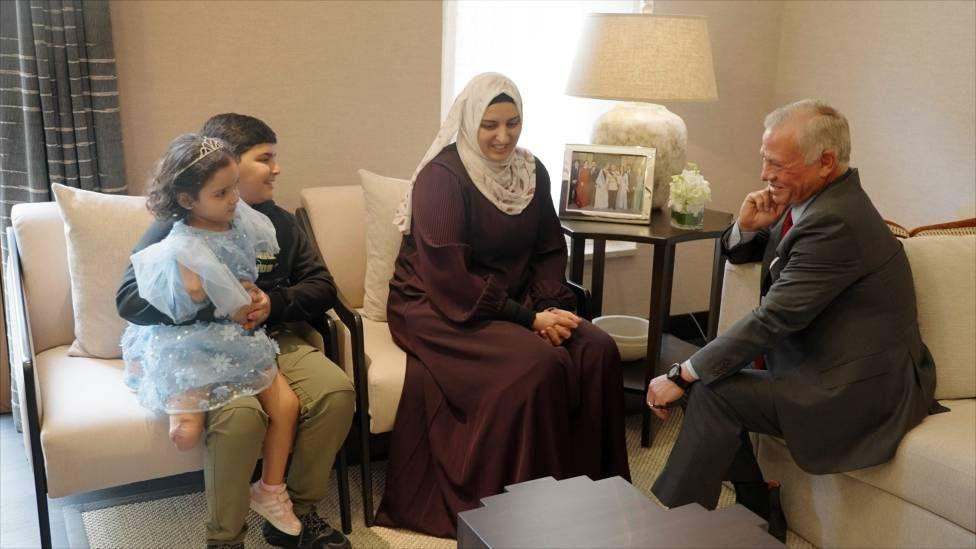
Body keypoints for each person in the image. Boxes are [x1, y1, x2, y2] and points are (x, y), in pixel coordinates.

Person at [645, 100, 938, 542]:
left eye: (777, 163)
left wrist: (682, 372)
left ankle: (673, 528)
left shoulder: (837, 222)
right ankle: (755, 511)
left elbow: (773, 318)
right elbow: (746, 250)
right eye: (765, 158)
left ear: (825, 162)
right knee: (712, 380)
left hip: (858, 390)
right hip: (825, 365)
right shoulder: (816, 199)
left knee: (709, 388)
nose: (765, 174)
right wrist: (745, 228)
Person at [375, 72, 630, 538]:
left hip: (515, 298)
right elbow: (449, 276)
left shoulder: (532, 171)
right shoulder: (441, 178)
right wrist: (530, 320)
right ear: (469, 122)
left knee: (597, 349)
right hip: (437, 304)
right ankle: (521, 517)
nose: (503, 136)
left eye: (512, 123)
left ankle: (589, 500)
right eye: (490, 125)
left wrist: (552, 306)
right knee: (537, 365)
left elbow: (549, 250)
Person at [117, 115, 355, 549]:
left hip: (278, 337)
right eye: (265, 159)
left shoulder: (277, 221)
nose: (277, 169)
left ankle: (293, 513)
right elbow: (129, 300)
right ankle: (225, 539)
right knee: (242, 418)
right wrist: (211, 303)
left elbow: (321, 285)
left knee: (335, 394)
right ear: (230, 166)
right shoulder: (176, 225)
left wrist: (272, 303)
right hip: (210, 346)